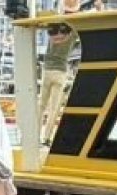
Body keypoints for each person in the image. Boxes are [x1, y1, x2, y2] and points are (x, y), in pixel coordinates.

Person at [39, 0, 81, 144]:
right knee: (54, 108)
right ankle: (46, 138)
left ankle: (34, 135)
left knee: (41, 105)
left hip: (47, 69)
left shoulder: (53, 25)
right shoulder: (74, 30)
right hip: (61, 70)